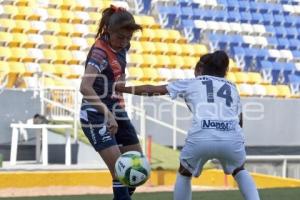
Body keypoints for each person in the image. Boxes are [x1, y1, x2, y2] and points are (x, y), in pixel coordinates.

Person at [115, 50, 260, 200]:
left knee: (185, 172)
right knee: (239, 169)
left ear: (199, 69)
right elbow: (239, 119)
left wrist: (122, 88)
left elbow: (151, 90)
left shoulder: (192, 83)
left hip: (202, 135)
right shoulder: (232, 87)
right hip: (232, 136)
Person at [79, 5, 142, 200]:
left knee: (138, 170)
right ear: (108, 31)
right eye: (120, 37)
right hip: (96, 113)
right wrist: (107, 114)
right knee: (120, 172)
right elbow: (85, 87)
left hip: (117, 109)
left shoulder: (124, 46)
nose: (124, 42)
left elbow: (120, 73)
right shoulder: (99, 51)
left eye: (128, 38)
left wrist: (126, 84)